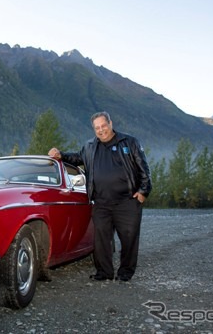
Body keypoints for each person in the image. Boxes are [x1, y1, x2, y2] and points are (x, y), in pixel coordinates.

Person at [48, 111, 151, 282]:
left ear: (110, 123)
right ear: (94, 129)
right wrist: (60, 154)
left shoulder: (129, 142)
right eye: (97, 128)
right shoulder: (89, 146)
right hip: (101, 203)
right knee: (101, 239)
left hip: (127, 201)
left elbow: (144, 169)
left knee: (129, 238)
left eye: (104, 125)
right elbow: (76, 158)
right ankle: (104, 272)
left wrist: (143, 192)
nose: (101, 130)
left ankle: (125, 273)